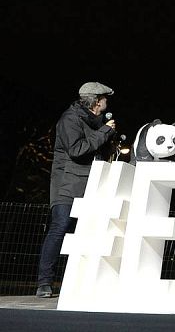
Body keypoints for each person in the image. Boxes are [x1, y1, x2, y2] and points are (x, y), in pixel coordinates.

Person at [36, 81, 117, 298]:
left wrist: (109, 139)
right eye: (104, 98)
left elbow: (96, 148)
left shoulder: (95, 121)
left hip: (90, 184)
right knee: (60, 226)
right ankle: (44, 282)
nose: (107, 101)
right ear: (95, 101)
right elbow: (77, 149)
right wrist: (104, 132)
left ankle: (85, 280)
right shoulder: (70, 119)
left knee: (89, 231)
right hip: (67, 184)